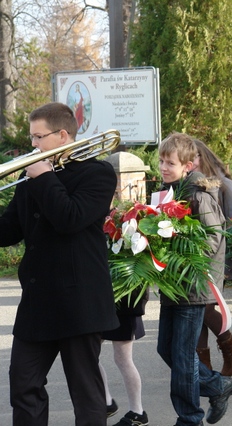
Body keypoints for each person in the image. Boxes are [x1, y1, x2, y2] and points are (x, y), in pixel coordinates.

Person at [0, 102, 120, 424]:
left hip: (79, 301)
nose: (33, 144)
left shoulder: (98, 173)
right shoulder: (32, 175)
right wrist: (39, 176)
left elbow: (70, 218)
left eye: (38, 137)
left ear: (62, 135)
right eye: (32, 137)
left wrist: (43, 177)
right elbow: (9, 230)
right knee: (23, 384)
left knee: (86, 392)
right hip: (38, 301)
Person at [156, 133, 232, 425]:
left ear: (188, 166)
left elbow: (213, 238)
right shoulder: (169, 191)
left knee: (182, 355)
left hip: (192, 284)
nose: (163, 167)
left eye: (170, 163)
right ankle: (217, 385)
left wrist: (181, 256)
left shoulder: (198, 194)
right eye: (161, 161)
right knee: (167, 349)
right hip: (173, 283)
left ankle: (190, 418)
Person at [191, 139, 232, 377]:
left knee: (205, 308)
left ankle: (230, 347)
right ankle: (204, 366)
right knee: (197, 311)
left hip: (216, 259)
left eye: (193, 157)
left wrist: (228, 263)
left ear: (202, 157)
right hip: (192, 259)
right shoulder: (186, 185)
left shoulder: (224, 184)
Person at [100, 291, 149, 425]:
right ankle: (106, 402)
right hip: (102, 301)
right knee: (88, 356)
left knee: (123, 359)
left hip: (126, 300)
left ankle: (137, 412)